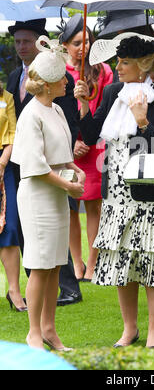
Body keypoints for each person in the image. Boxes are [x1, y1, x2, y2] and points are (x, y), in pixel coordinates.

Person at [74, 33, 154, 348]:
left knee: (152, 262)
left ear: (143, 65)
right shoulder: (110, 92)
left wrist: (142, 122)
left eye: (124, 62)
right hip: (116, 195)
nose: (117, 67)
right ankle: (130, 329)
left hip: (150, 195)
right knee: (122, 262)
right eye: (118, 61)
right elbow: (92, 133)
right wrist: (84, 105)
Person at [11, 36, 85, 350]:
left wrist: (74, 168)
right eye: (63, 79)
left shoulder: (54, 109)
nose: (68, 82)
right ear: (50, 82)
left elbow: (61, 153)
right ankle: (33, 333)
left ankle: (49, 329)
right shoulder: (31, 115)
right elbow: (36, 166)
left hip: (56, 193)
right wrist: (68, 184)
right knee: (40, 266)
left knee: (55, 264)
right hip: (39, 195)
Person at [60, 13, 113, 281]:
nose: (84, 47)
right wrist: (73, 142)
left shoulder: (103, 70)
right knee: (70, 206)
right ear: (66, 45)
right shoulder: (59, 70)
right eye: (77, 42)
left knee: (94, 205)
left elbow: (104, 110)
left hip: (96, 146)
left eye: (88, 41)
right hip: (68, 148)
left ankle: (93, 262)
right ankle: (77, 262)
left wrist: (88, 138)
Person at [0, 82, 26, 312]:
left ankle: (14, 291)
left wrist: (1, 162)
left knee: (9, 226)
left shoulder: (5, 97)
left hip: (3, 165)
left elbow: (12, 134)